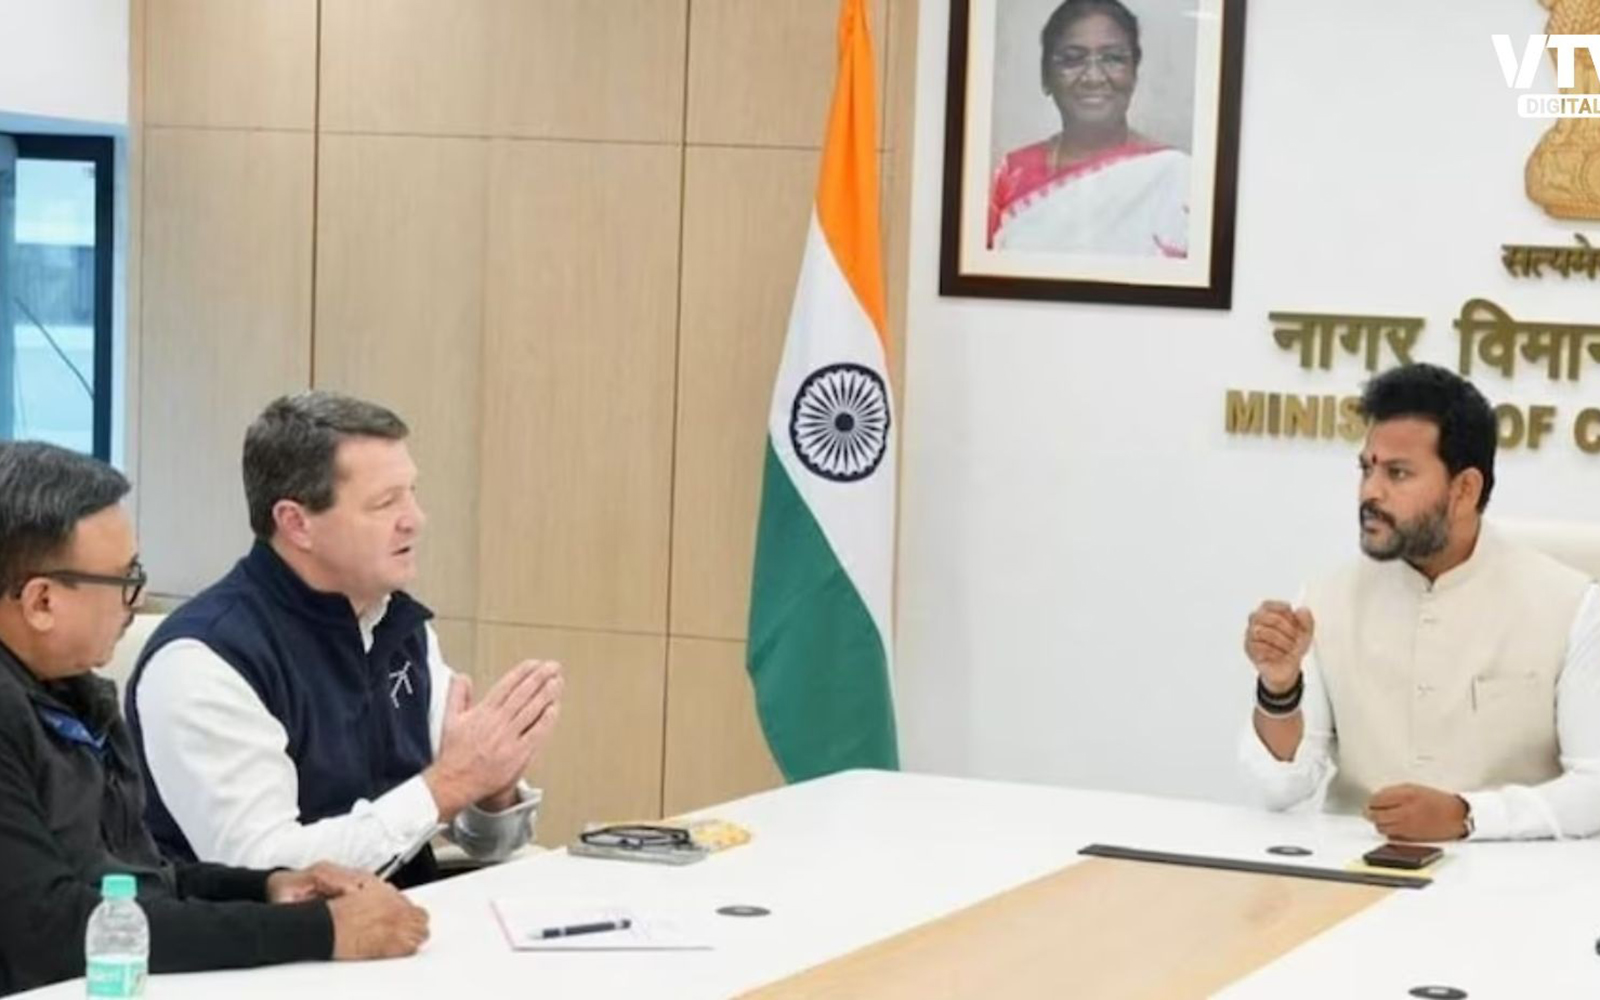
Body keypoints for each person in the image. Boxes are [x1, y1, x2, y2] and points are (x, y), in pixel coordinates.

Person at [0, 441, 428, 996]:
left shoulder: (76, 692)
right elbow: (51, 930)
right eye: (124, 579)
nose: (137, 599)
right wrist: (318, 932)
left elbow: (141, 877)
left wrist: (270, 888)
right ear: (41, 602)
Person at [127, 392, 564, 886]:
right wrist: (452, 783)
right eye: (385, 503)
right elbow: (267, 870)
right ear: (297, 523)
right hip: (280, 933)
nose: (415, 519)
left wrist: (493, 789)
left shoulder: (401, 626)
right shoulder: (204, 660)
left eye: (412, 492)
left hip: (410, 917)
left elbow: (486, 841)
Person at [1240, 363, 1600, 841]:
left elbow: (1594, 786)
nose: (1370, 491)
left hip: (1512, 877)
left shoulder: (1570, 606)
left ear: (1464, 489)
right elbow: (1280, 789)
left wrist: (1469, 815)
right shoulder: (1325, 601)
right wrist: (1280, 689)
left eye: (1398, 473)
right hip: (1354, 872)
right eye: (1366, 468)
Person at [988, 0, 1190, 255]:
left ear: (1134, 74)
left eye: (1113, 59)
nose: (1093, 78)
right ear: (1045, 77)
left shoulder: (1175, 176)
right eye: (1072, 60)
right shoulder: (1013, 173)